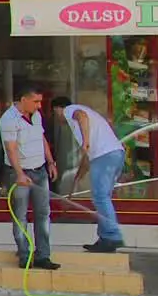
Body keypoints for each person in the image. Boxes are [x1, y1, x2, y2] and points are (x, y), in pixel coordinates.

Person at [52, 96, 126, 252]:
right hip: (114, 154)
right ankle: (105, 238)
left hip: (104, 155)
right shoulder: (87, 116)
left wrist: (85, 141)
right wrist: (78, 177)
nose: (57, 117)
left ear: (57, 109)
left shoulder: (70, 110)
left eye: (54, 113)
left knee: (100, 196)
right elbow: (87, 158)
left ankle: (113, 236)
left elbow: (81, 116)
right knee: (102, 197)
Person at [0, 86, 60, 270]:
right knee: (20, 215)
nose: (39, 106)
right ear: (23, 99)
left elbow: (41, 138)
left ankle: (43, 255)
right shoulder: (9, 120)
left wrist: (50, 162)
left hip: (39, 170)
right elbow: (11, 149)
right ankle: (25, 255)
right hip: (20, 172)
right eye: (36, 101)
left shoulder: (36, 116)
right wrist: (19, 174)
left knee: (43, 214)